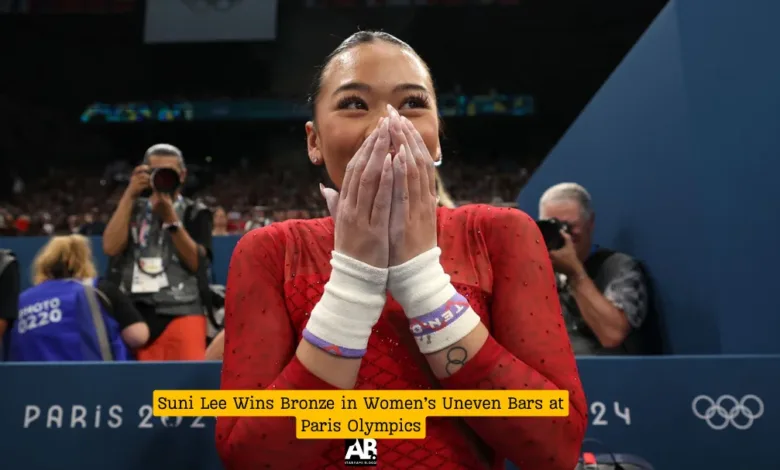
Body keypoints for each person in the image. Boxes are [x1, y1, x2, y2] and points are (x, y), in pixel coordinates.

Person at [216, 31, 586, 470]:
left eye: (412, 103)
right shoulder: (271, 252)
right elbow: (252, 458)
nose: (387, 125)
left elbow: (555, 446)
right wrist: (353, 284)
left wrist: (421, 280)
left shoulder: (499, 235)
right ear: (313, 141)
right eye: (354, 104)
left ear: (437, 138)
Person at [103, 144, 213, 361]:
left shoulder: (195, 212)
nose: (162, 177)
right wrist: (129, 194)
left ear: (182, 175)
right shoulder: (130, 208)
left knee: (184, 389)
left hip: (182, 308)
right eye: (155, 172)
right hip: (131, 311)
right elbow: (110, 247)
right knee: (135, 388)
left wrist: (171, 220)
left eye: (169, 172)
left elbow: (197, 264)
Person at [539, 182, 656, 355]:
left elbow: (612, 334)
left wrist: (575, 274)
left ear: (590, 223)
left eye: (569, 227)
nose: (563, 236)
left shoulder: (619, 268)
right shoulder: (537, 275)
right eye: (552, 227)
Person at [3, 235, 148, 361]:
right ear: (84, 261)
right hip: (93, 384)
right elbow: (138, 336)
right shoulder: (99, 289)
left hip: (29, 386)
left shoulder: (22, 300)